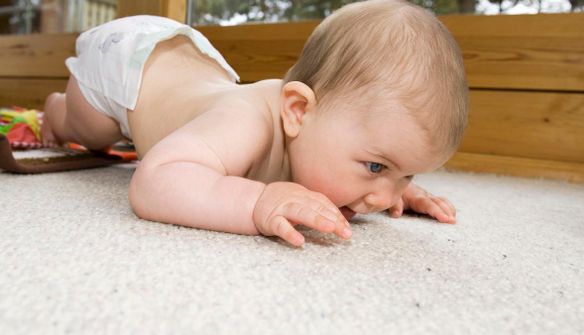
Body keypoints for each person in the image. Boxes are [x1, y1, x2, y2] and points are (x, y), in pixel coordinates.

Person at [41, 0, 468, 247]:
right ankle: (57, 110)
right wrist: (257, 203)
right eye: (376, 167)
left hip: (193, 68)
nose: (380, 197)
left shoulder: (324, 128)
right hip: (127, 66)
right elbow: (153, 181)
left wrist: (398, 184)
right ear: (297, 110)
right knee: (93, 132)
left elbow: (384, 168)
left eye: (406, 171)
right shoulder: (244, 122)